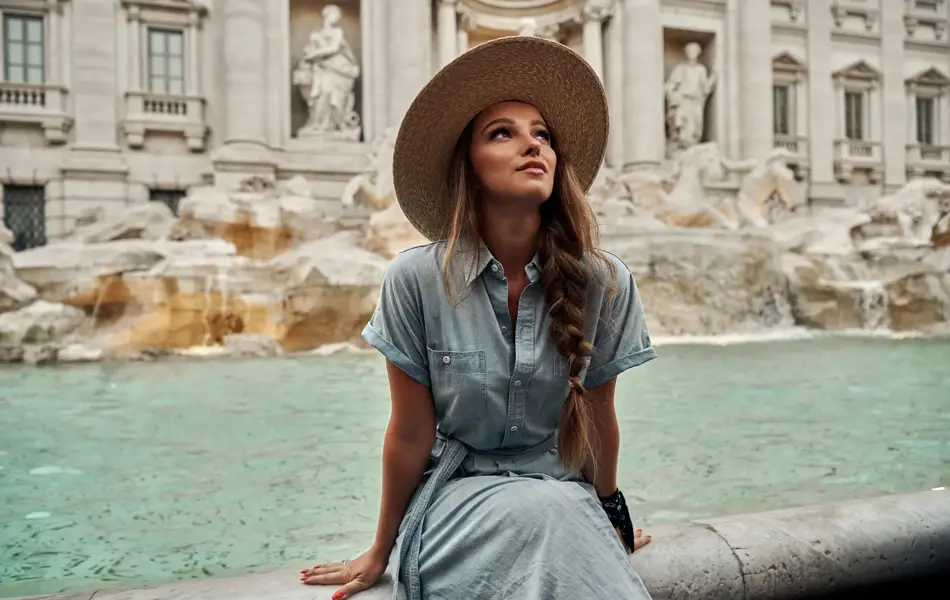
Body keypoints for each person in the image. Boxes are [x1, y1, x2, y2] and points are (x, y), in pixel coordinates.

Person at [300, 35, 658, 600]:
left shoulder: (605, 281)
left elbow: (598, 420)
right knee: (553, 511)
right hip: (454, 505)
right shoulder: (415, 280)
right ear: (467, 164)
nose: (532, 145)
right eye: (503, 133)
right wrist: (380, 550)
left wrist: (608, 514)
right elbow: (409, 433)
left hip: (563, 497)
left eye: (542, 134)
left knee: (559, 508)